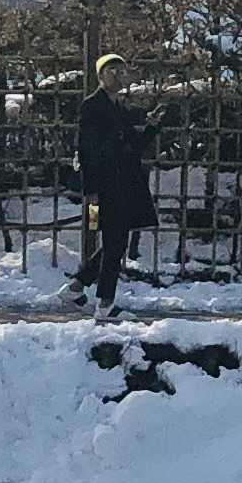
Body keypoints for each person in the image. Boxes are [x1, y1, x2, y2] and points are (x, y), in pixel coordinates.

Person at [72, 52, 153, 315]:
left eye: (121, 70)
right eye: (111, 70)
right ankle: (104, 302)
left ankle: (77, 286)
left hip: (122, 186)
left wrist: (152, 128)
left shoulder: (119, 108)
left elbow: (132, 146)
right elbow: (87, 149)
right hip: (103, 187)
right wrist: (91, 191)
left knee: (114, 240)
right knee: (114, 241)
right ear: (100, 75)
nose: (118, 75)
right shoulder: (92, 105)